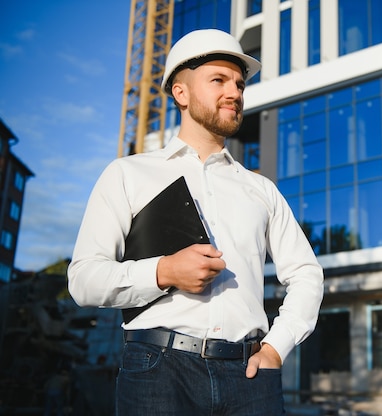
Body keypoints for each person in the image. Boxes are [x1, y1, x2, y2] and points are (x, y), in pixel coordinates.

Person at [67, 29, 324, 415]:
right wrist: (164, 271)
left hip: (250, 377)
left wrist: (276, 347)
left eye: (239, 84)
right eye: (218, 80)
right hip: (157, 371)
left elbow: (307, 273)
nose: (235, 93)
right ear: (181, 93)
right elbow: (84, 280)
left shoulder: (262, 189)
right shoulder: (127, 173)